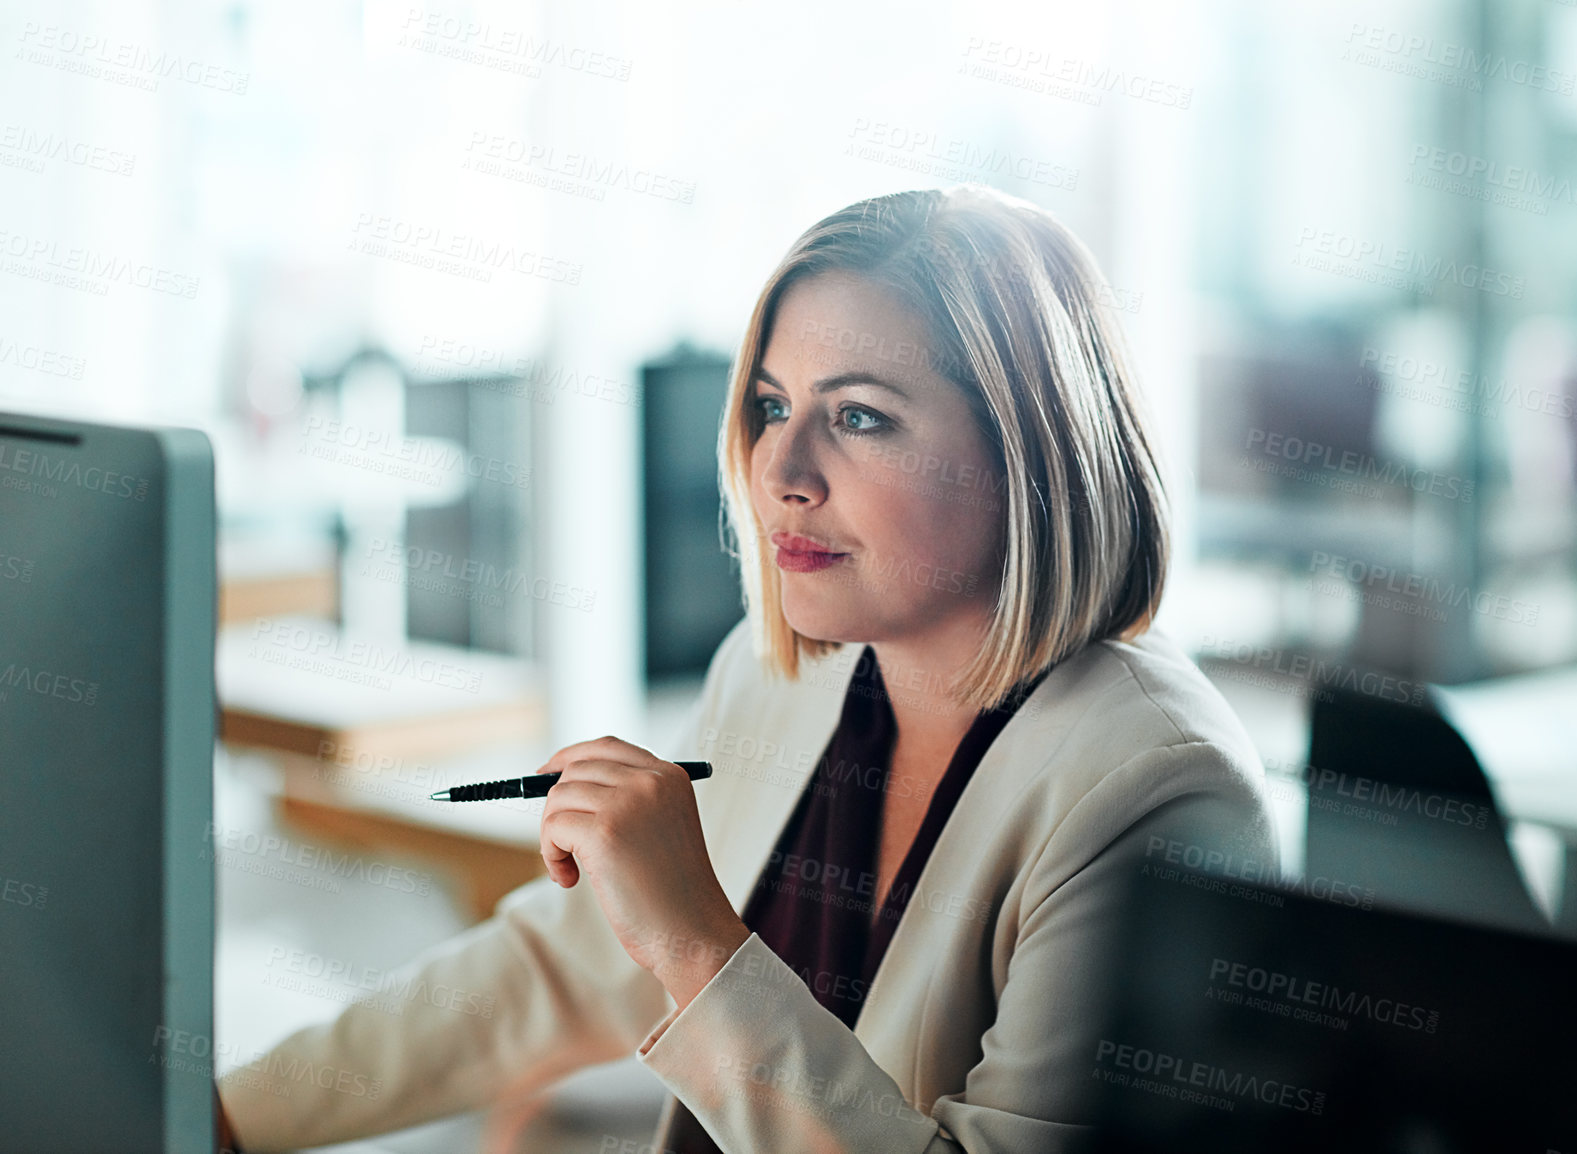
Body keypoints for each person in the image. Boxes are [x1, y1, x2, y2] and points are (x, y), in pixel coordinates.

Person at [217, 184, 1277, 1152]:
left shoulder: (1155, 788)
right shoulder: (791, 675)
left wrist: (692, 938)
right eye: (772, 407)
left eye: (859, 416)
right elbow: (557, 968)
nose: (781, 468)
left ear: (1028, 447)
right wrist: (222, 1118)